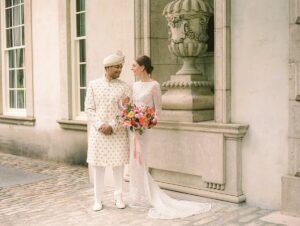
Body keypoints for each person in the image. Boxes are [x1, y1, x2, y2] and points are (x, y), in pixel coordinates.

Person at [128, 55, 211, 219]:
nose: (132, 68)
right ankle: (137, 196)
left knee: (143, 160)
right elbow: (130, 106)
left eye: (134, 65)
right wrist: (131, 118)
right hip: (133, 129)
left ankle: (147, 195)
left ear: (143, 67)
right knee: (133, 161)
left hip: (145, 129)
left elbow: (158, 110)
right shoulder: (134, 85)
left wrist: (144, 120)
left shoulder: (154, 85)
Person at [85, 51, 131, 211]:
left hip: (117, 132)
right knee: (98, 167)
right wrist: (100, 125)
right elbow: (89, 109)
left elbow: (126, 111)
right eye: (117, 67)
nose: (120, 70)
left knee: (118, 166)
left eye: (121, 67)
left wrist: (112, 125)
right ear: (107, 67)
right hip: (98, 134)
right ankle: (98, 200)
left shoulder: (125, 87)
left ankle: (118, 197)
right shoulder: (93, 85)